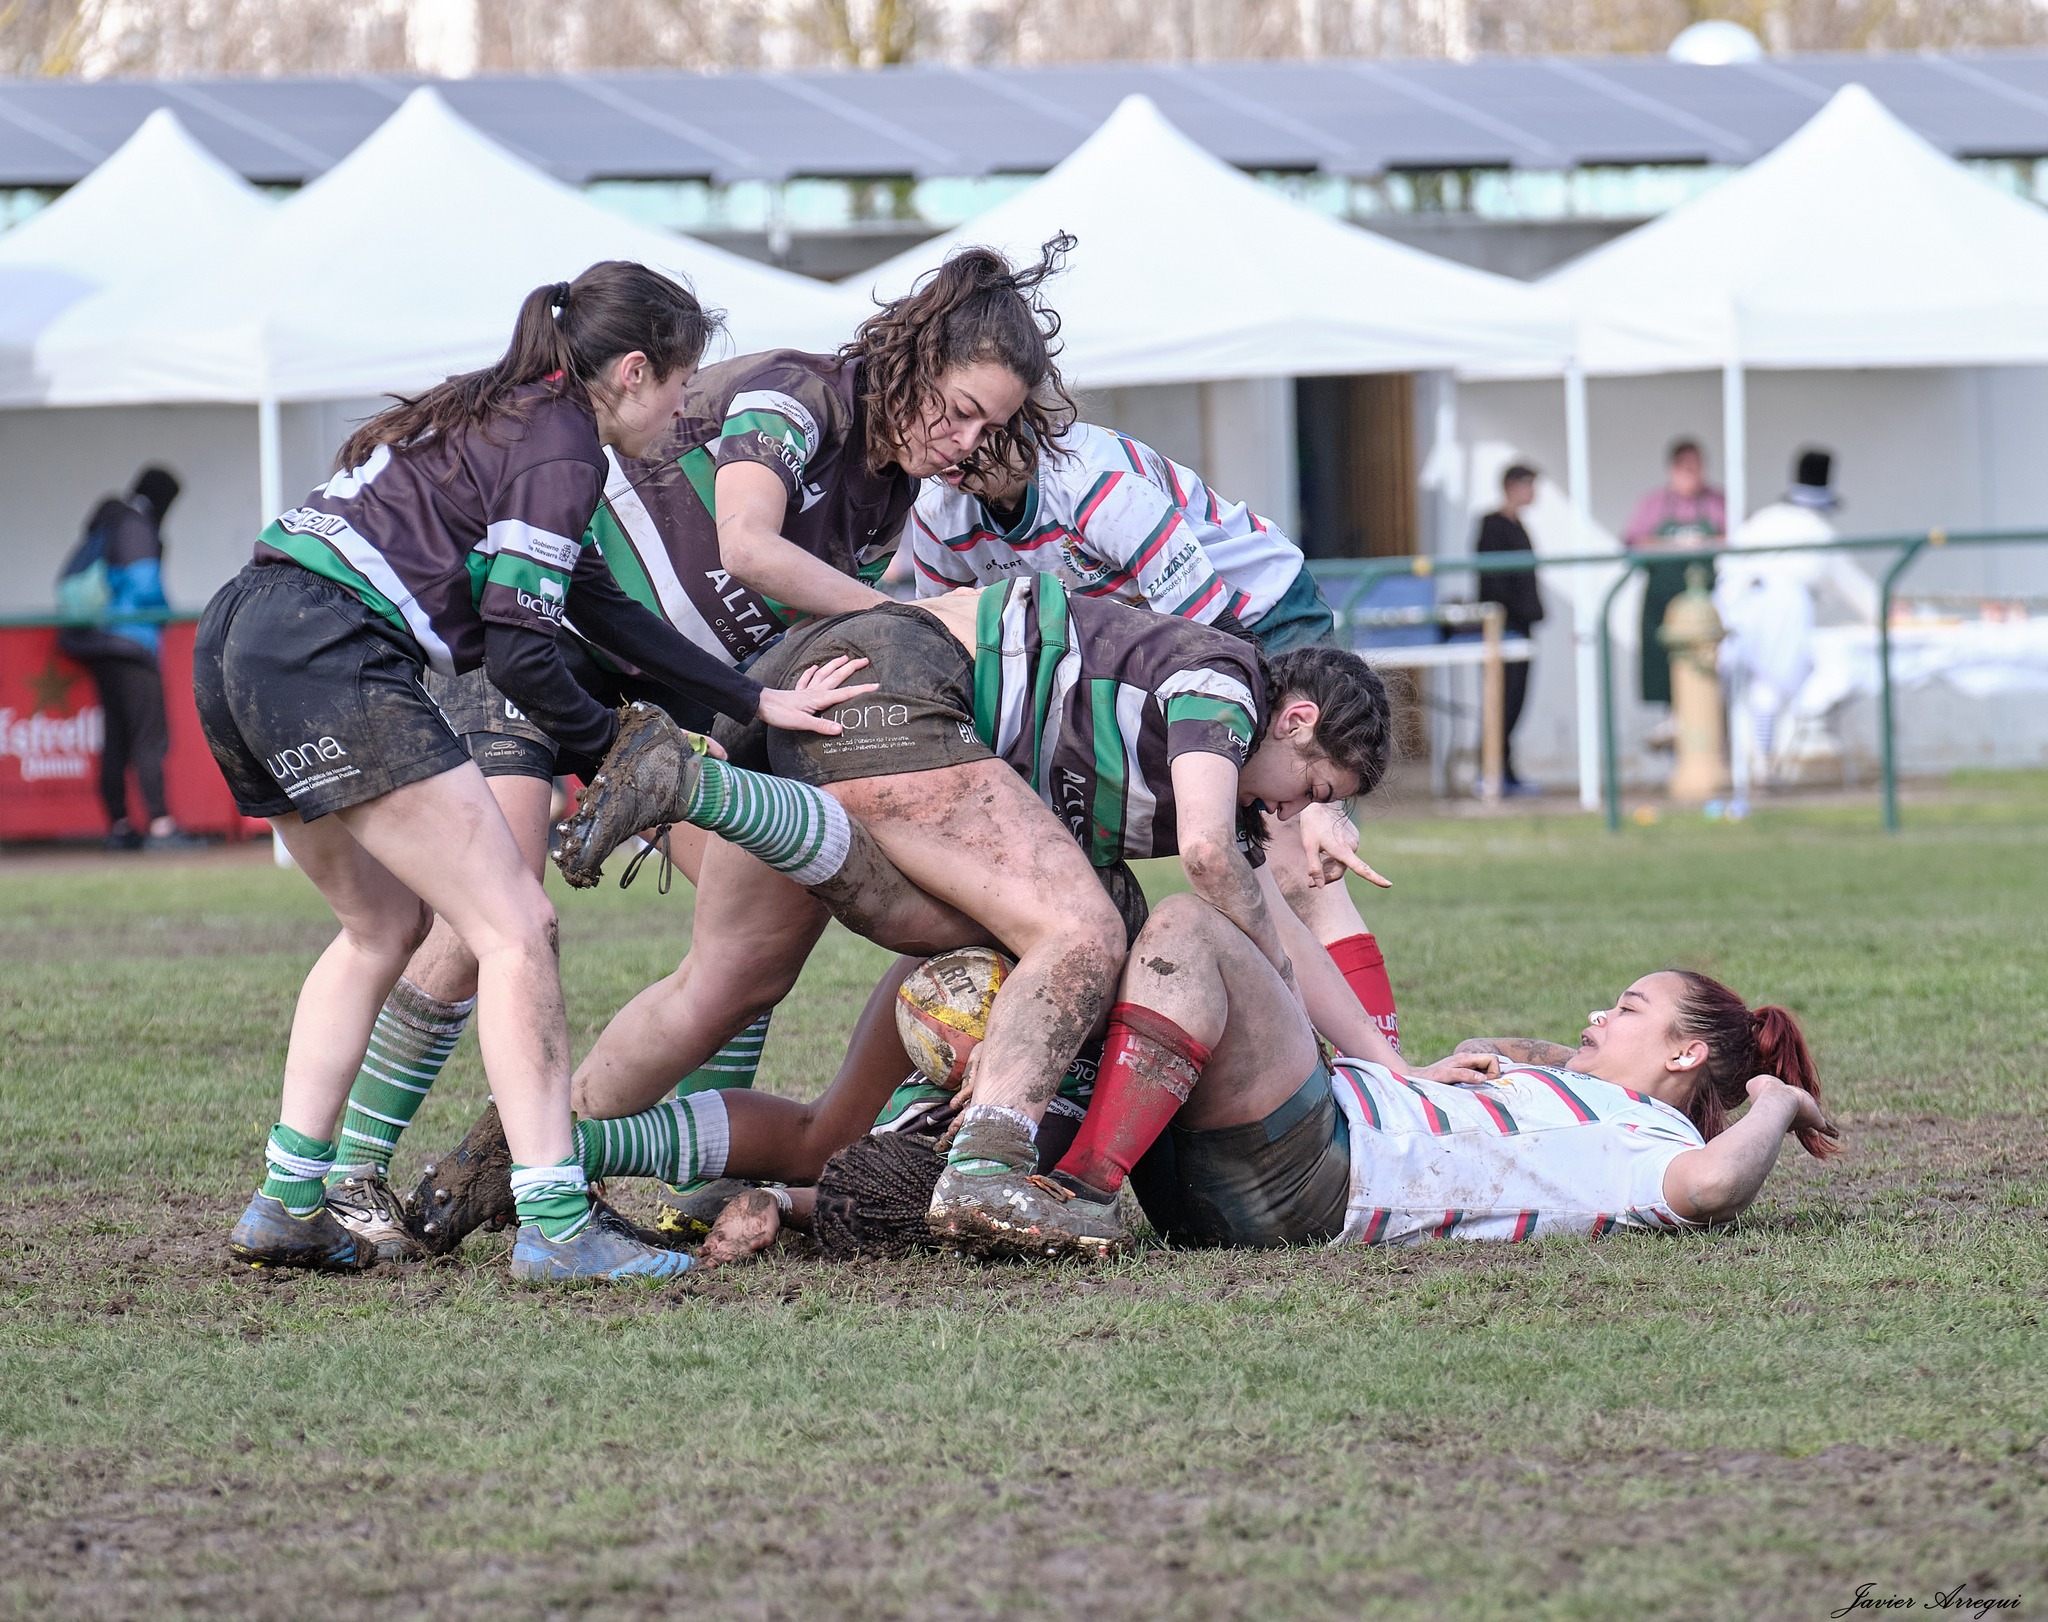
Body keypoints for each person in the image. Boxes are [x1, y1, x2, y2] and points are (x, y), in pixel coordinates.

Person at [193, 260, 871, 1282]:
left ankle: (287, 1199)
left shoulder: (510, 415)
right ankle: (556, 1221)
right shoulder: (558, 442)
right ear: (635, 371)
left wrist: (748, 697)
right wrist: (613, 746)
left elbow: (601, 608)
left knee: (381, 928)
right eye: (683, 388)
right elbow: (518, 644)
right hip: (331, 653)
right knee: (515, 926)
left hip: (243, 633)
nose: (686, 415)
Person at [548, 577, 1489, 1253]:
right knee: (1083, 931)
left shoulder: (1232, 777)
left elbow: (1267, 913)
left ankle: (531, 1158)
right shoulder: (1227, 682)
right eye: (1311, 787)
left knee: (718, 988)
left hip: (841, 683)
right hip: (908, 683)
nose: (1290, 813)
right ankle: (989, 1167)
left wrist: (1392, 1064)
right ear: (1296, 720)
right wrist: (1276, 982)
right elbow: (1207, 860)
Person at [1006, 886, 1840, 1256]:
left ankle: (1079, 1184)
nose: (1596, 1018)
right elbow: (1513, 1047)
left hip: (1311, 1176)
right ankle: (969, 1161)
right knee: (1112, 910)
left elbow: (1715, 1187)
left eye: (1624, 1009)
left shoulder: (1642, 1137)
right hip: (1257, 1179)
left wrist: (1776, 1100)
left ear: (1684, 1054)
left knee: (1192, 922)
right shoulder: (1582, 1103)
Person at [907, 421, 1336, 653]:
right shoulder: (935, 508)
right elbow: (943, 635)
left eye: (970, 421)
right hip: (1157, 633)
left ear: (1019, 415)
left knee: (1296, 786)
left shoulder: (1096, 485)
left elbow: (1211, 634)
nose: (952, 443)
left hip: (1260, 611)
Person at [55, 466, 199, 850]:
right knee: (149, 735)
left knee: (117, 737)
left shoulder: (109, 521)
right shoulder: (137, 525)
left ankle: (119, 826)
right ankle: (160, 826)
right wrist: (168, 611)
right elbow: (145, 586)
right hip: (131, 645)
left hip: (97, 644)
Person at [1716, 449, 1876, 784]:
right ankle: (1762, 763)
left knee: (1756, 689)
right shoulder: (1817, 533)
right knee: (1773, 687)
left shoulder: (1761, 521)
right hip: (1779, 608)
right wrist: (1883, 611)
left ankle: (1760, 763)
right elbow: (1851, 586)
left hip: (1738, 604)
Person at [1624, 440, 1726, 729]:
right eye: (1686, 468)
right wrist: (1672, 545)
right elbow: (1633, 542)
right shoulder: (1654, 503)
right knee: (1665, 666)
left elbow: (1737, 538)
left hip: (1708, 600)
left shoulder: (1717, 503)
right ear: (1673, 469)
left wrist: (1704, 544)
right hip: (1663, 600)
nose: (1692, 474)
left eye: (1697, 467)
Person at [1473, 463, 1545, 795]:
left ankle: (1506, 770)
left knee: (1516, 702)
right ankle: (1490, 772)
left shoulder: (1521, 527)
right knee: (1500, 701)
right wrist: (1513, 613)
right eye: (1528, 484)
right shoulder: (1492, 525)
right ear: (1511, 486)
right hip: (1503, 629)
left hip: (1523, 627)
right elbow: (1493, 583)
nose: (1533, 492)